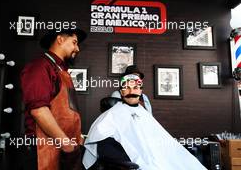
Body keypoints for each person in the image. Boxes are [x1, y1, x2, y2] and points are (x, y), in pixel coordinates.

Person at [82, 74, 207, 170]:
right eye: (127, 88)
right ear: (121, 92)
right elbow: (102, 144)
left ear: (140, 91)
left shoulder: (144, 113)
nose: (131, 92)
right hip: (138, 163)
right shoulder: (112, 115)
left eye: (135, 88)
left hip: (159, 158)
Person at [20, 28, 87, 170]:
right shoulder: (40, 66)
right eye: (74, 42)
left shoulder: (60, 70)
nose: (77, 48)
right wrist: (66, 144)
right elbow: (39, 111)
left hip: (62, 148)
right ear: (60, 39)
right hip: (43, 148)